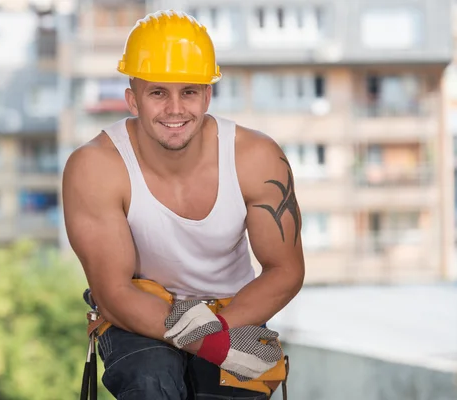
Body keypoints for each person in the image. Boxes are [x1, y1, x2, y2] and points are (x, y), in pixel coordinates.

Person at [63, 9, 305, 400]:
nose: (175, 109)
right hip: (139, 309)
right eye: (158, 92)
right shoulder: (95, 167)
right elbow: (115, 293)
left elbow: (285, 270)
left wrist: (215, 333)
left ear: (207, 95)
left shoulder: (256, 157)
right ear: (133, 99)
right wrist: (210, 346)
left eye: (189, 91)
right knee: (150, 382)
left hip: (233, 307)